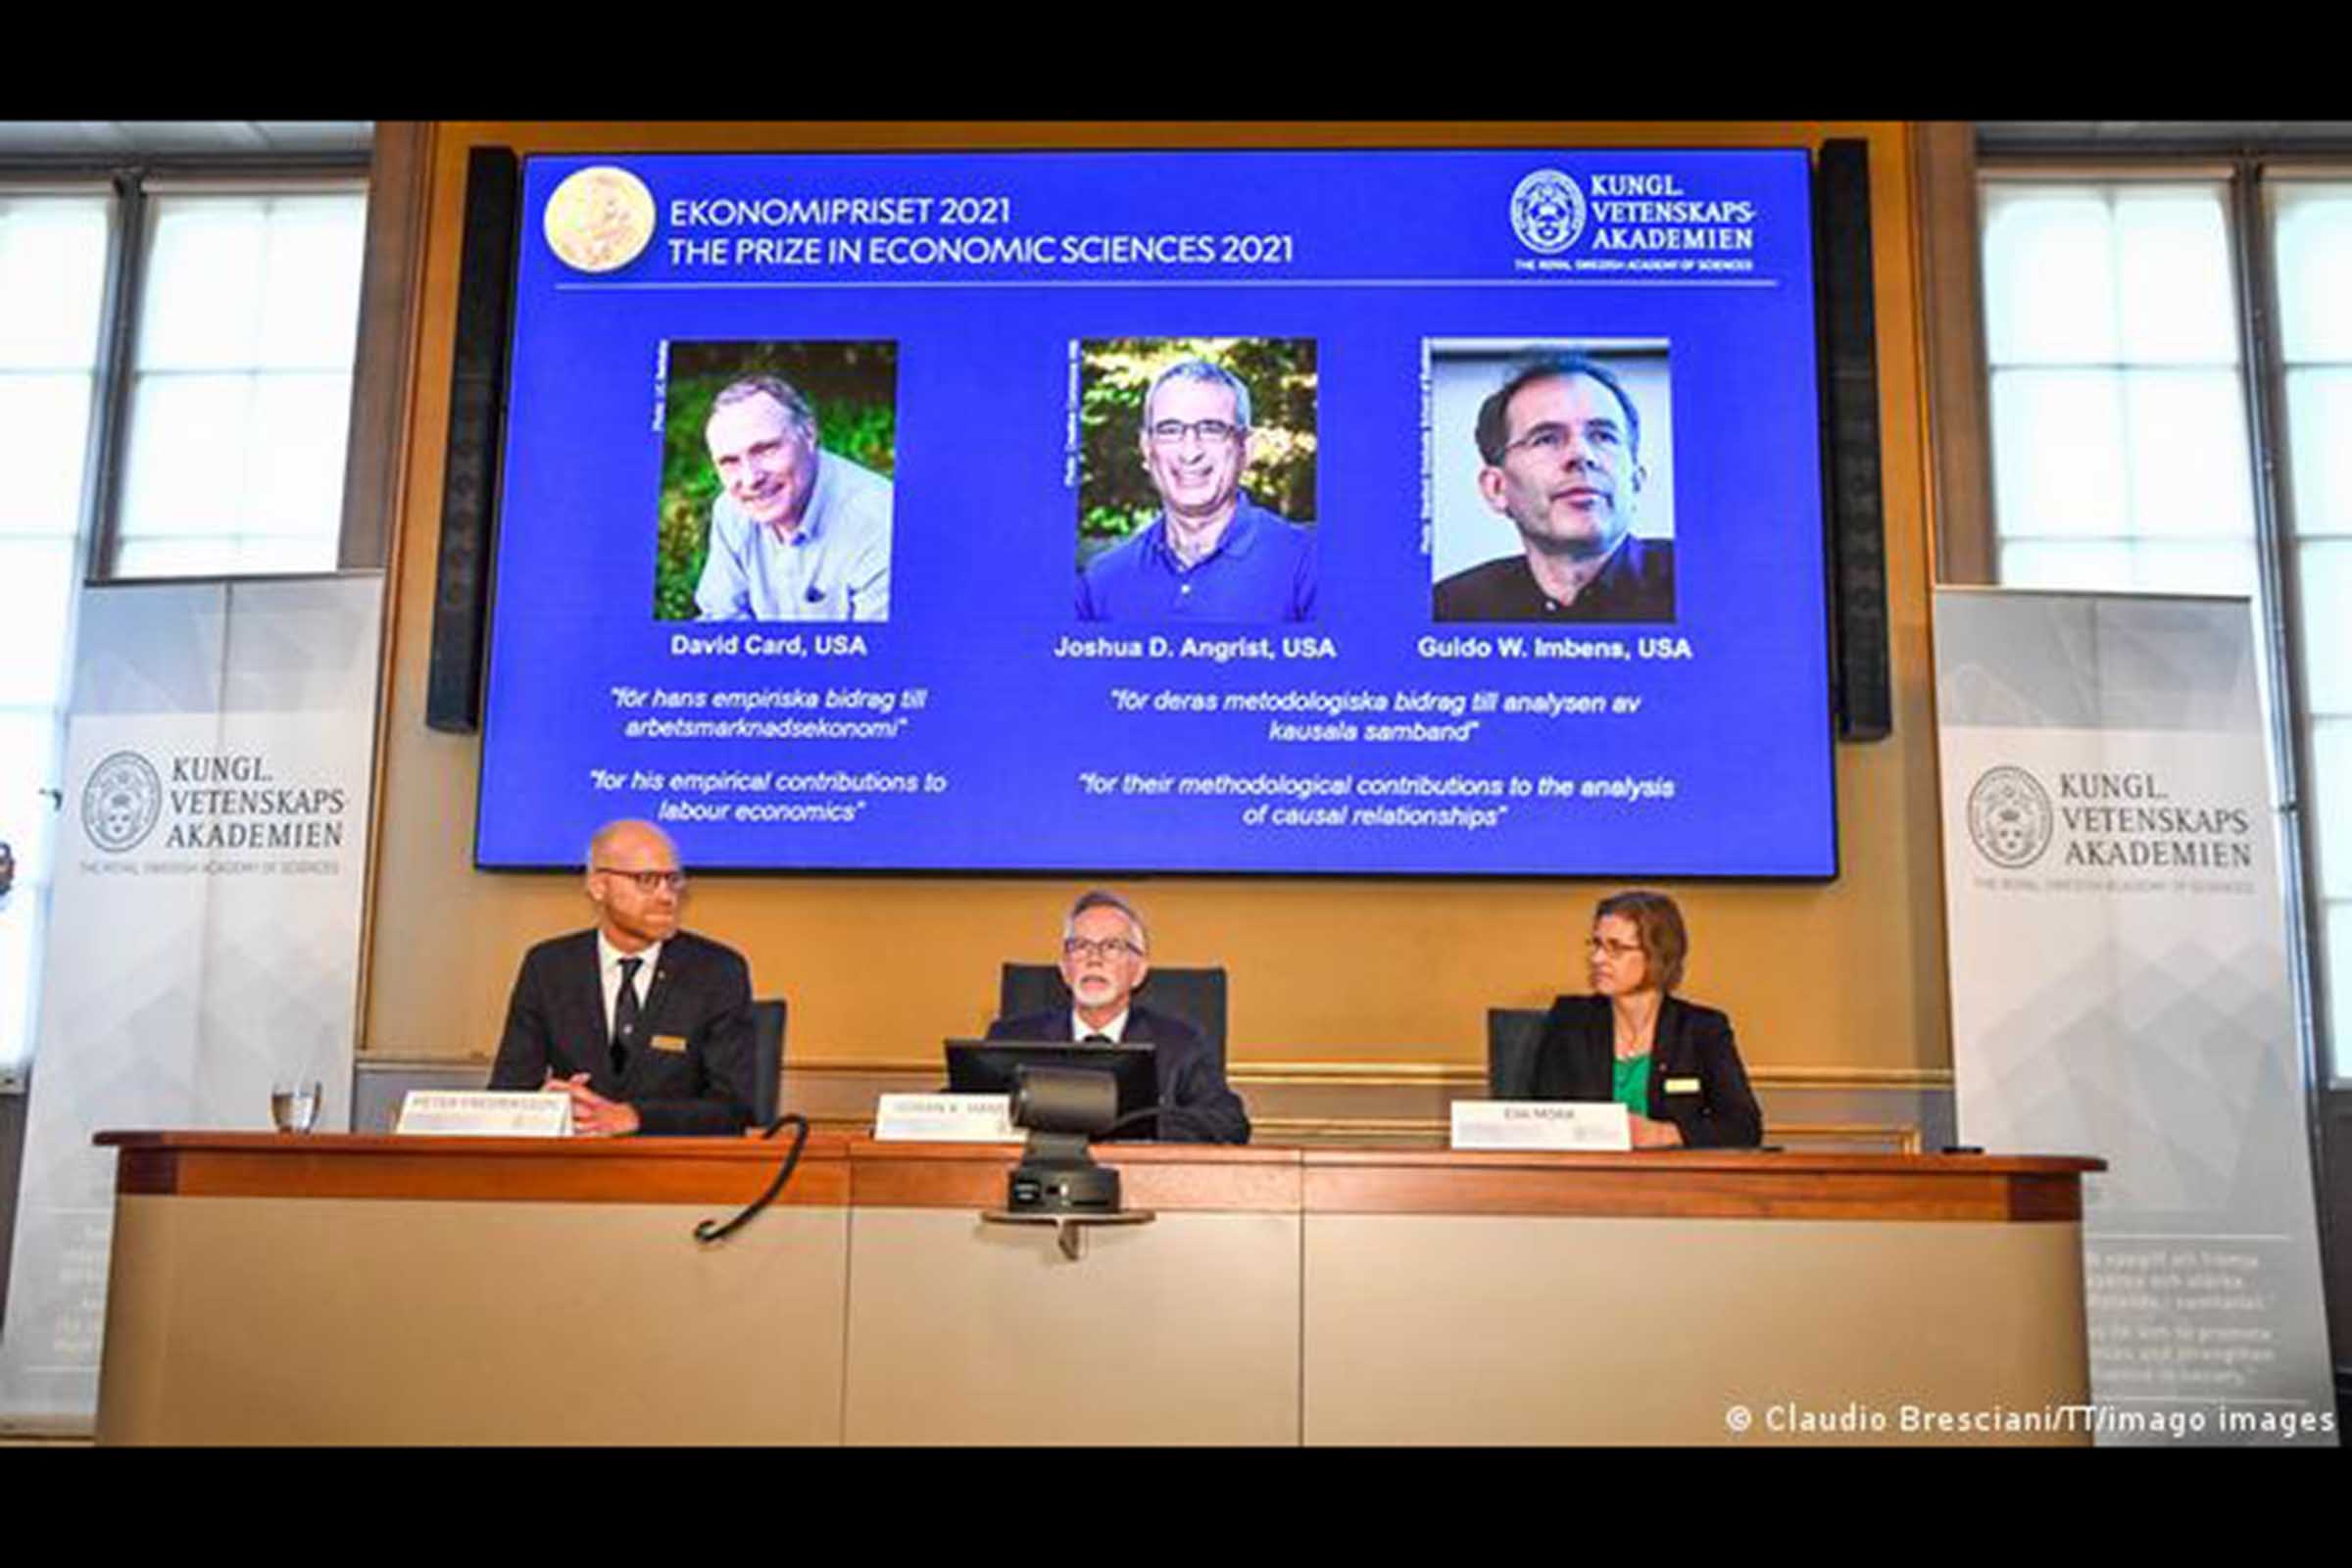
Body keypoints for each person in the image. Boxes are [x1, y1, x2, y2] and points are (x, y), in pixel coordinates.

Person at [487, 818, 758, 1136]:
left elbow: (734, 1108)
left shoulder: (717, 972)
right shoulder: (548, 967)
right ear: (598, 886)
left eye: (673, 880)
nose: (667, 896)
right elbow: (506, 1093)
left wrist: (633, 1116)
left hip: (675, 1170)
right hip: (572, 1169)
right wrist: (545, 1106)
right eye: (647, 880)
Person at [986, 889, 1250, 1144]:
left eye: (1112, 947)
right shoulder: (1012, 1037)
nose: (1094, 959)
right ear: (1065, 970)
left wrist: (1136, 1125)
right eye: (1080, 946)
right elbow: (961, 1109)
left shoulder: (1180, 1043)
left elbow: (1229, 1123)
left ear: (1138, 971)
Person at [1433, 355, 1675, 622]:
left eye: (1603, 436)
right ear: (1497, 489)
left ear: (1635, 479)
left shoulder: (1706, 580)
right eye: (1546, 439)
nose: (1582, 455)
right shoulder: (1450, 609)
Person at [1077, 359, 1316, 622]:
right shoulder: (1100, 584)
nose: (1190, 452)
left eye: (1212, 429)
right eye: (1170, 430)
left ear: (1245, 449)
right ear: (1147, 449)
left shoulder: (1307, 566)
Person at [1528, 890, 1761, 1149]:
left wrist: (1664, 1134)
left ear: (1657, 955)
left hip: (1675, 1183)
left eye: (1615, 948)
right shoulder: (1569, 1021)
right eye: (1596, 944)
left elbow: (1744, 1127)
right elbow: (1542, 1123)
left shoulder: (1702, 1029)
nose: (1597, 959)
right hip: (1585, 1180)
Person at [694, 373, 893, 622]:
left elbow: (878, 655)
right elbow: (719, 622)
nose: (750, 479)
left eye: (766, 449)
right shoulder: (731, 510)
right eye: (729, 462)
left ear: (809, 433)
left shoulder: (881, 523)